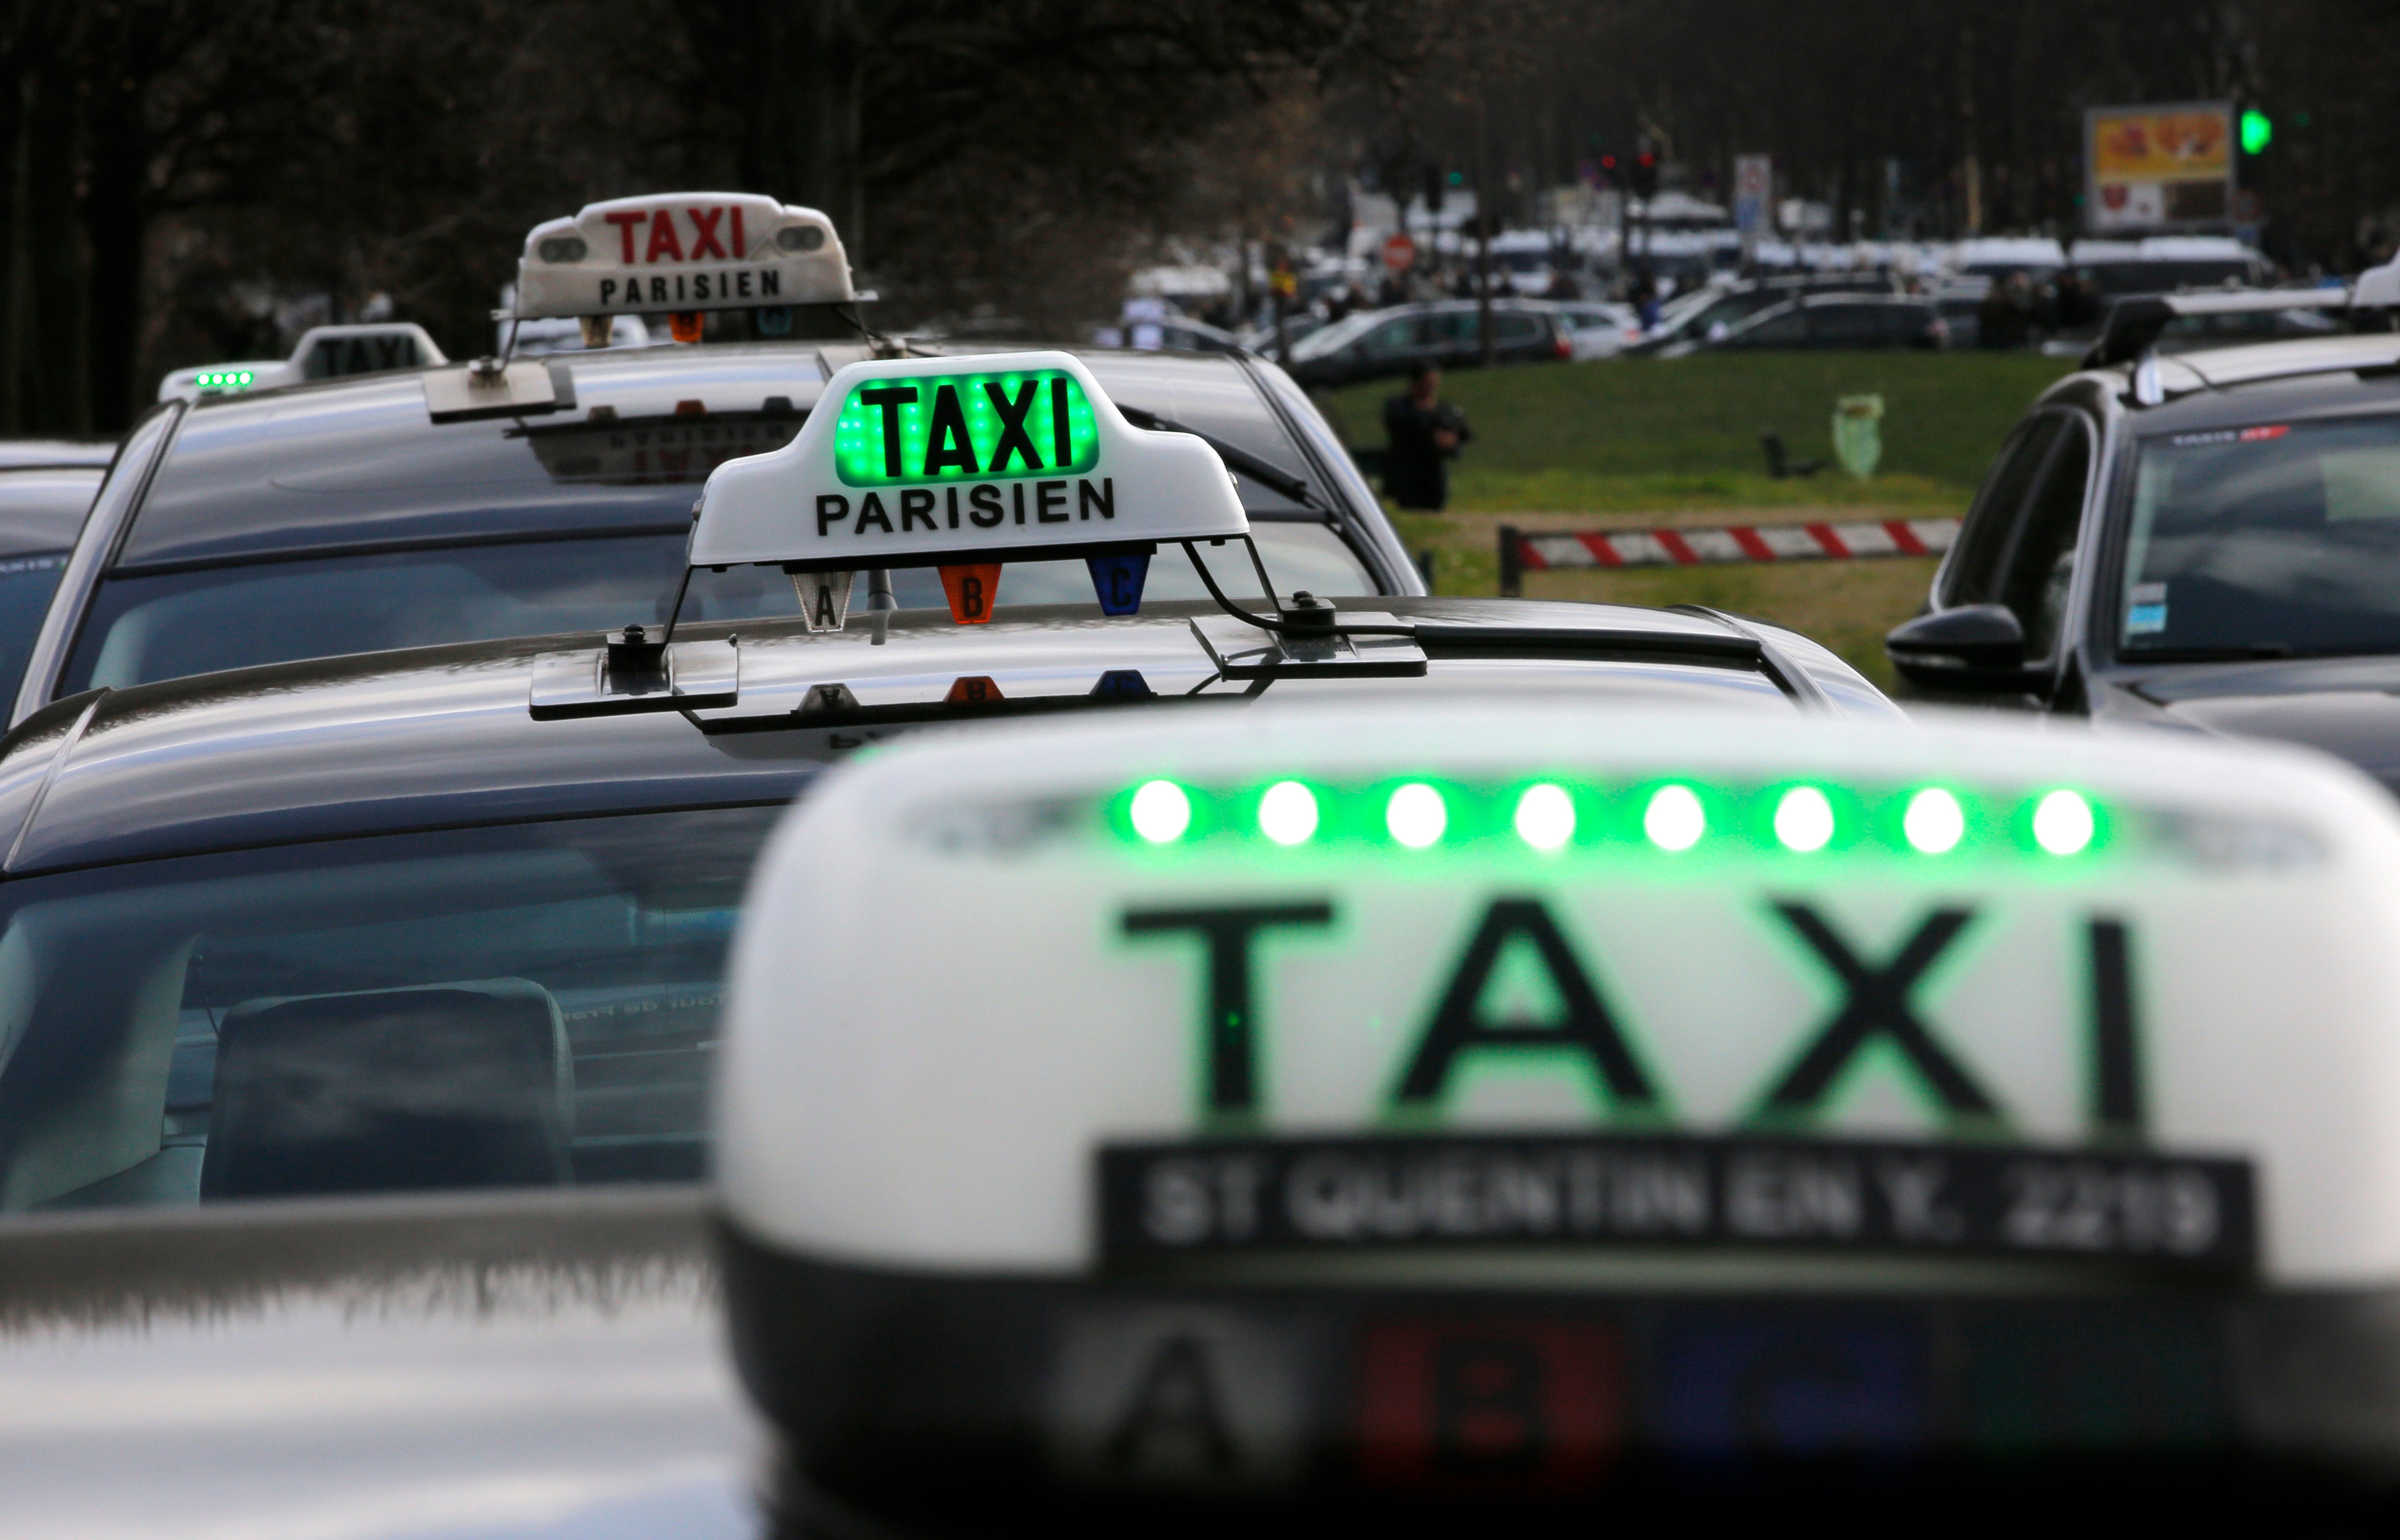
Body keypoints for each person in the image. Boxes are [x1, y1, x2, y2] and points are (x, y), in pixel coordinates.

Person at [1382, 362, 1471, 511]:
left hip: (1434, 472)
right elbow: (1401, 429)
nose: (1431, 387)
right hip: (1408, 472)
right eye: (1428, 383)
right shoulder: (1399, 407)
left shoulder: (1444, 409)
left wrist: (1450, 440)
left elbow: (1464, 433)